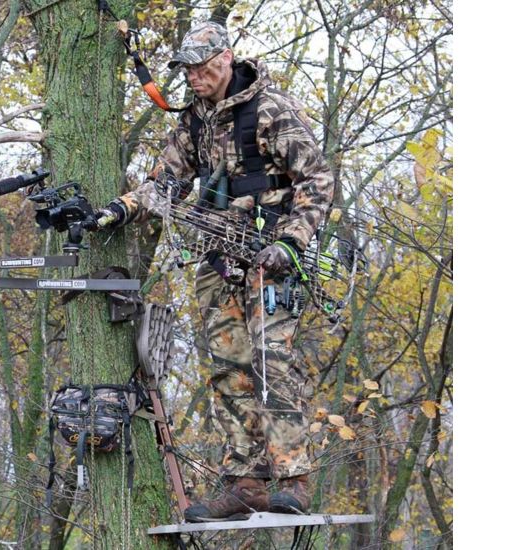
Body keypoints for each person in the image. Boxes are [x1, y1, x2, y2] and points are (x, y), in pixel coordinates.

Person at [93, 21, 334, 521]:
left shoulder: (270, 109)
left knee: (272, 361)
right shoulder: (194, 122)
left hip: (272, 260)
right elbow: (164, 185)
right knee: (229, 366)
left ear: (224, 60)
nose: (193, 79)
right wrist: (116, 210)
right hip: (218, 260)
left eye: (200, 69)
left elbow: (317, 177)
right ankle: (245, 484)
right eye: (186, 71)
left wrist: (292, 242)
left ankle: (293, 478)